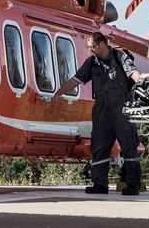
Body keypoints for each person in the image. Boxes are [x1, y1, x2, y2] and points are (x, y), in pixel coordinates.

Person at [51, 32, 143, 195]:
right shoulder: (91, 63)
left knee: (129, 146)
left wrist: (143, 85)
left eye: (92, 46)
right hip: (101, 110)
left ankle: (132, 184)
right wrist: (59, 93)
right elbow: (76, 80)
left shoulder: (119, 56)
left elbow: (133, 73)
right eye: (89, 47)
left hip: (121, 109)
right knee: (99, 147)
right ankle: (100, 184)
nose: (90, 50)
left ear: (102, 44)